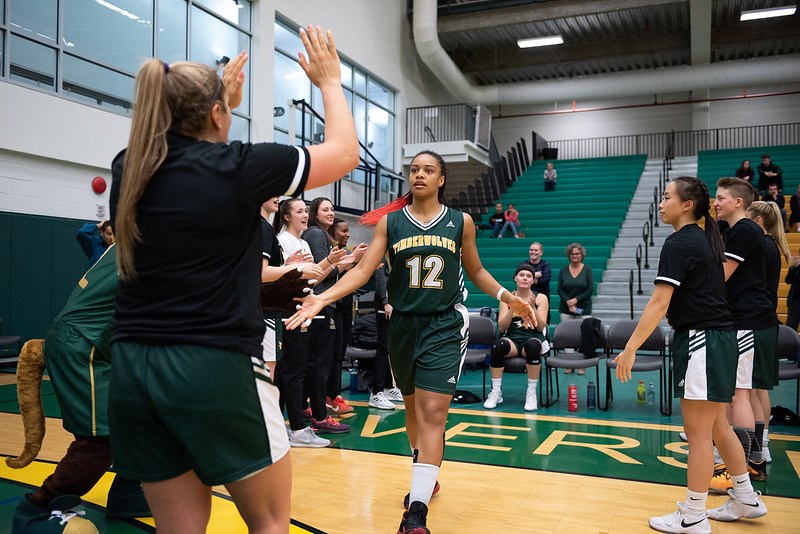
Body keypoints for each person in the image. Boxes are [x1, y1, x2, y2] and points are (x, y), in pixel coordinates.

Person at [108, 24, 358, 533]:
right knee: (269, 522)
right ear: (218, 113)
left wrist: (218, 103)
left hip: (133, 369)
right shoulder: (240, 167)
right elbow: (345, 154)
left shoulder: (128, 166)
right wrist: (330, 81)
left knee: (180, 527)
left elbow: (196, 156)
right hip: (212, 366)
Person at [285, 150, 535, 534]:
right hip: (403, 327)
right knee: (415, 414)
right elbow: (365, 270)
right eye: (414, 169)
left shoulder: (460, 222)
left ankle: (415, 514)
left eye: (428, 170)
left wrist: (507, 296)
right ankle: (426, 471)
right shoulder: (390, 223)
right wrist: (324, 295)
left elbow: (478, 270)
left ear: (441, 180)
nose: (419, 174)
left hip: (444, 325)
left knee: (434, 414)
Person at [614, 176, 766, 534]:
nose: (661, 203)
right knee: (718, 426)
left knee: (698, 433)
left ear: (686, 205)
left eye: (667, 197)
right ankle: (746, 497)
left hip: (702, 342)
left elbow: (659, 301)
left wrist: (630, 347)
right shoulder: (703, 239)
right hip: (717, 340)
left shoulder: (680, 242)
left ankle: (693, 515)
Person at [10, 244, 150, 532]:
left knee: (144, 417)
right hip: (86, 345)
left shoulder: (141, 233)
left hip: (94, 340)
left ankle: (128, 494)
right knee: (99, 441)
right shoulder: (160, 238)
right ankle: (36, 509)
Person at [713, 177, 777, 486]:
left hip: (748, 322)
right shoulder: (741, 231)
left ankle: (746, 466)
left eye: (721, 197)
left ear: (738, 202)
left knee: (738, 394)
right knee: (742, 393)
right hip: (748, 320)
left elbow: (719, 277)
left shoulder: (743, 231)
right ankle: (752, 462)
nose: (716, 202)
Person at [275, 197, 349, 441]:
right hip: (289, 311)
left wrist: (330, 262)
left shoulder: (302, 242)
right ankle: (293, 426)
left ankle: (296, 425)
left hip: (304, 310)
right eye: (299, 211)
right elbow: (282, 277)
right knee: (290, 371)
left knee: (298, 370)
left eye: (305, 211)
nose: (304, 215)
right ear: (286, 216)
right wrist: (290, 266)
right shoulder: (282, 240)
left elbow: (313, 280)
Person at [746, 200, 791, 467]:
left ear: (759, 221)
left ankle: (758, 444)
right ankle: (762, 442)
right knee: (758, 388)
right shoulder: (771, 245)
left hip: (757, 322)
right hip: (766, 321)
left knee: (752, 388)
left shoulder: (759, 246)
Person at [483, 264, 549, 412]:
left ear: (533, 281)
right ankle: (496, 392)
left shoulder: (540, 298)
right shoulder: (506, 298)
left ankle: (531, 393)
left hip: (532, 336)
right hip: (512, 338)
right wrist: (513, 306)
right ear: (515, 278)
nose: (525, 278)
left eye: (529, 276)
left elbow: (541, 326)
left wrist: (531, 306)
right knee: (497, 346)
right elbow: (502, 327)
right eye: (521, 275)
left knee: (533, 346)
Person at [325, 217, 369, 413]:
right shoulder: (333, 254)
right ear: (333, 231)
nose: (347, 234)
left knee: (339, 352)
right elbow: (333, 276)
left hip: (345, 307)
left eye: (348, 230)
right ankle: (330, 396)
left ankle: (333, 395)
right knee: (333, 354)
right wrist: (353, 263)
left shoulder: (347, 253)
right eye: (343, 231)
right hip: (333, 306)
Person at [369, 261, 405, 410]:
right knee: (383, 347)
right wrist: (385, 301)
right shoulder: (382, 252)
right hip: (386, 304)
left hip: (396, 302)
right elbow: (380, 277)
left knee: (391, 347)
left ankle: (389, 387)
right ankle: (376, 392)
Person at [785, 252, 800, 331]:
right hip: (795, 302)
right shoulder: (795, 266)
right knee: (790, 328)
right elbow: (787, 280)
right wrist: (795, 268)